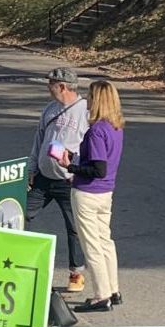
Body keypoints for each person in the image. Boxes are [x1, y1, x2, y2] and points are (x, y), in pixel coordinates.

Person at [29, 65, 89, 292]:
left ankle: (76, 273)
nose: (48, 87)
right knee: (22, 213)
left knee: (74, 227)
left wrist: (78, 169)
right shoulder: (49, 110)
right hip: (43, 178)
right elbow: (39, 139)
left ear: (62, 86)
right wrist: (31, 168)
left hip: (68, 180)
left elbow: (90, 147)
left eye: (51, 84)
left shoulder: (85, 112)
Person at [71, 77, 124, 311]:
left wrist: (71, 167)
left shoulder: (96, 131)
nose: (88, 101)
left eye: (90, 97)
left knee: (91, 245)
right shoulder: (115, 127)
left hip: (87, 192)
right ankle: (113, 289)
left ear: (98, 100)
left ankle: (101, 295)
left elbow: (97, 168)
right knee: (105, 241)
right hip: (106, 193)